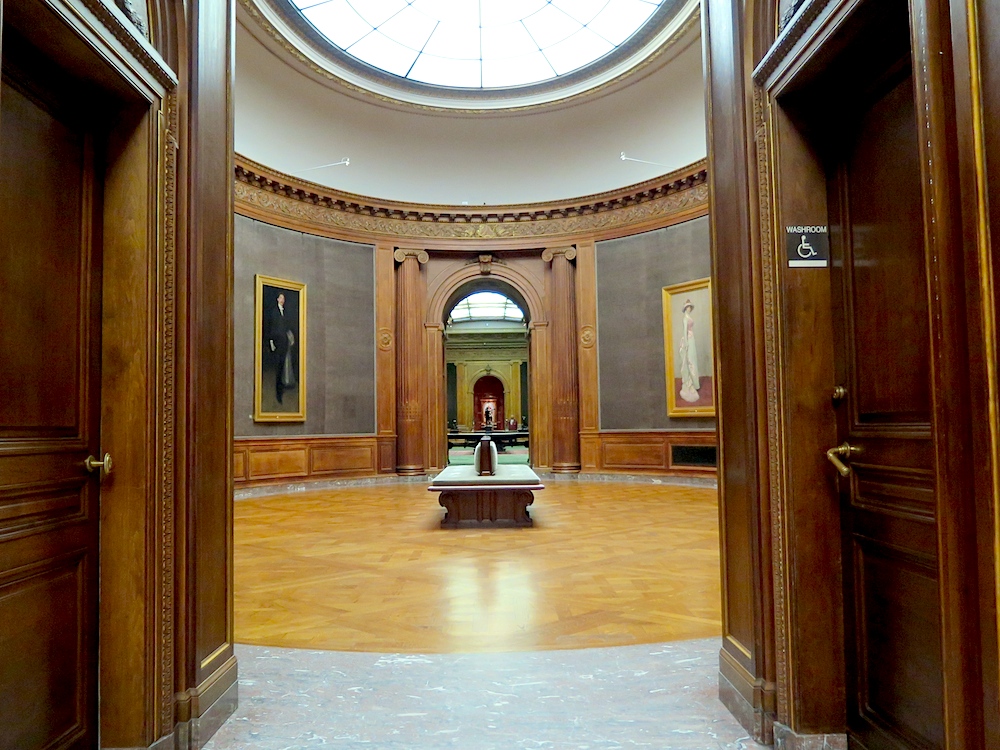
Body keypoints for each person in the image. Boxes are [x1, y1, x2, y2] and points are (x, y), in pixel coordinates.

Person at [267, 292, 296, 404]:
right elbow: (272, 327)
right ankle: (278, 393)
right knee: (278, 368)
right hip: (277, 343)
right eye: (281, 298)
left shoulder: (285, 312)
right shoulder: (274, 312)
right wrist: (271, 342)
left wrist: (290, 337)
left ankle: (281, 388)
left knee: (283, 366)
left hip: (284, 343)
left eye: (283, 298)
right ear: (277, 299)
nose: (282, 300)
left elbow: (287, 327)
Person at [678, 299, 701, 403]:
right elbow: (684, 331)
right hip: (688, 339)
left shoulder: (689, 317)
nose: (689, 308)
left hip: (692, 339)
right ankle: (689, 382)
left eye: (690, 307)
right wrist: (686, 343)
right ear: (685, 308)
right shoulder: (685, 319)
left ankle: (694, 383)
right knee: (689, 360)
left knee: (693, 359)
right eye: (688, 307)